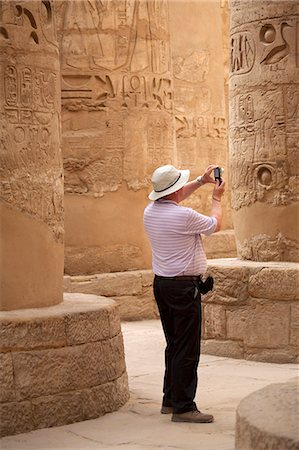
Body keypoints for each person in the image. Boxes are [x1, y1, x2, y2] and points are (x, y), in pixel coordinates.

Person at [143, 164, 225, 423]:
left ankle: (170, 399)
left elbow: (174, 196)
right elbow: (215, 225)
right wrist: (216, 199)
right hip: (183, 289)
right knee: (187, 348)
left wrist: (201, 181)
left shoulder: (150, 212)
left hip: (163, 285)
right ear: (176, 190)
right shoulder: (184, 216)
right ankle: (184, 407)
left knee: (175, 344)